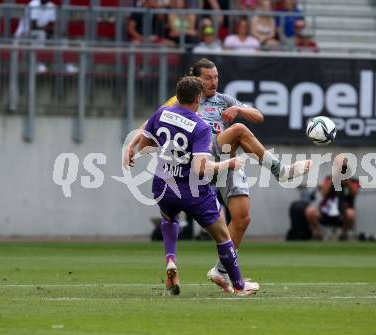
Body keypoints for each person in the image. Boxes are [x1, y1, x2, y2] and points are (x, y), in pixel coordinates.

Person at [126, 58, 312, 293]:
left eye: (216, 77)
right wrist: (134, 141)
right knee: (239, 131)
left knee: (242, 217)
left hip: (222, 163)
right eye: (208, 78)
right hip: (201, 157)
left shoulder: (223, 100)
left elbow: (259, 116)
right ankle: (281, 172)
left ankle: (221, 271)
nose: (213, 82)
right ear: (195, 78)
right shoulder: (186, 98)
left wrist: (240, 109)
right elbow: (156, 117)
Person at [136, 76, 259, 296]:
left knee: (169, 218)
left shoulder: (161, 113)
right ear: (198, 98)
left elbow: (145, 147)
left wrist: (168, 151)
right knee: (223, 236)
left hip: (163, 185)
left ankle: (171, 260)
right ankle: (239, 286)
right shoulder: (200, 127)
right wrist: (229, 163)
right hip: (194, 191)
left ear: (178, 95)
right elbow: (201, 168)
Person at [305, 160, 360, 240]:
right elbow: (323, 193)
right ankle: (318, 233)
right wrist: (333, 180)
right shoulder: (329, 179)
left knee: (351, 214)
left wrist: (347, 182)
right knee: (310, 211)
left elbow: (354, 193)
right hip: (326, 211)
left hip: (343, 212)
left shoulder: (353, 181)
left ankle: (343, 235)